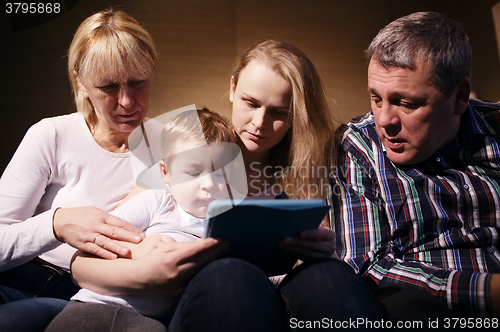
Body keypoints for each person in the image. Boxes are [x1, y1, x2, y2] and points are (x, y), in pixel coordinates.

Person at [60, 40, 381, 331]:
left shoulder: (301, 178)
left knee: (331, 275)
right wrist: (145, 260)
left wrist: (323, 253)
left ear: (296, 116)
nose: (259, 123)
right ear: (232, 89)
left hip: (273, 298)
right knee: (231, 275)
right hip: (205, 298)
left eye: (278, 113)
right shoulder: (190, 150)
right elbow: (85, 263)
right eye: (251, 103)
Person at [0, 8, 221, 332]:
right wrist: (56, 223)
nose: (127, 101)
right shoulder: (52, 135)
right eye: (108, 87)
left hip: (108, 296)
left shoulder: (172, 146)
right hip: (25, 280)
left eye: (138, 83)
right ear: (81, 81)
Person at [331, 11, 500, 319]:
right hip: (427, 311)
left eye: (406, 104)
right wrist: (488, 292)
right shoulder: (358, 144)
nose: (385, 121)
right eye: (376, 99)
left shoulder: (495, 126)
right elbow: (366, 265)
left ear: (460, 95)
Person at [46, 108, 239, 331]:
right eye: (194, 173)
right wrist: (140, 249)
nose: (209, 184)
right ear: (166, 173)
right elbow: (97, 240)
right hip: (92, 303)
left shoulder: (227, 225)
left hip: (149, 321)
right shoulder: (158, 202)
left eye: (220, 173)